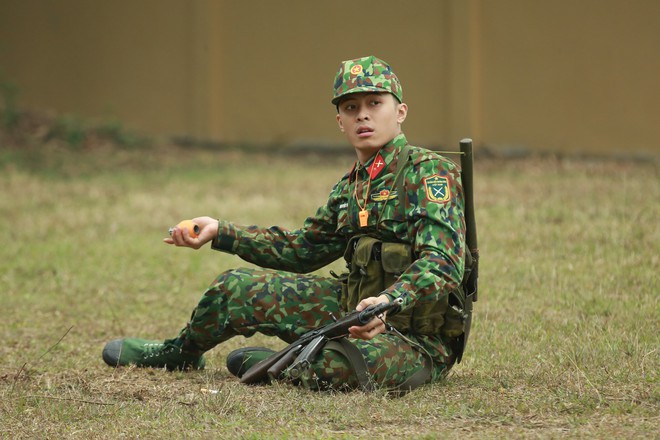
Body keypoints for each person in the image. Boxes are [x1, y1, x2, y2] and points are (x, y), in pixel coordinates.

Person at [102, 55, 468, 392]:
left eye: (375, 104)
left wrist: (388, 301)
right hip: (350, 309)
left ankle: (290, 364)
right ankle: (180, 353)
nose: (363, 116)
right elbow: (302, 250)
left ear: (400, 111)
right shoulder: (352, 186)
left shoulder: (429, 172)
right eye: (351, 107)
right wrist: (221, 231)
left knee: (339, 366)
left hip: (415, 338)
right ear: (339, 121)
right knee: (234, 288)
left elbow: (444, 261)